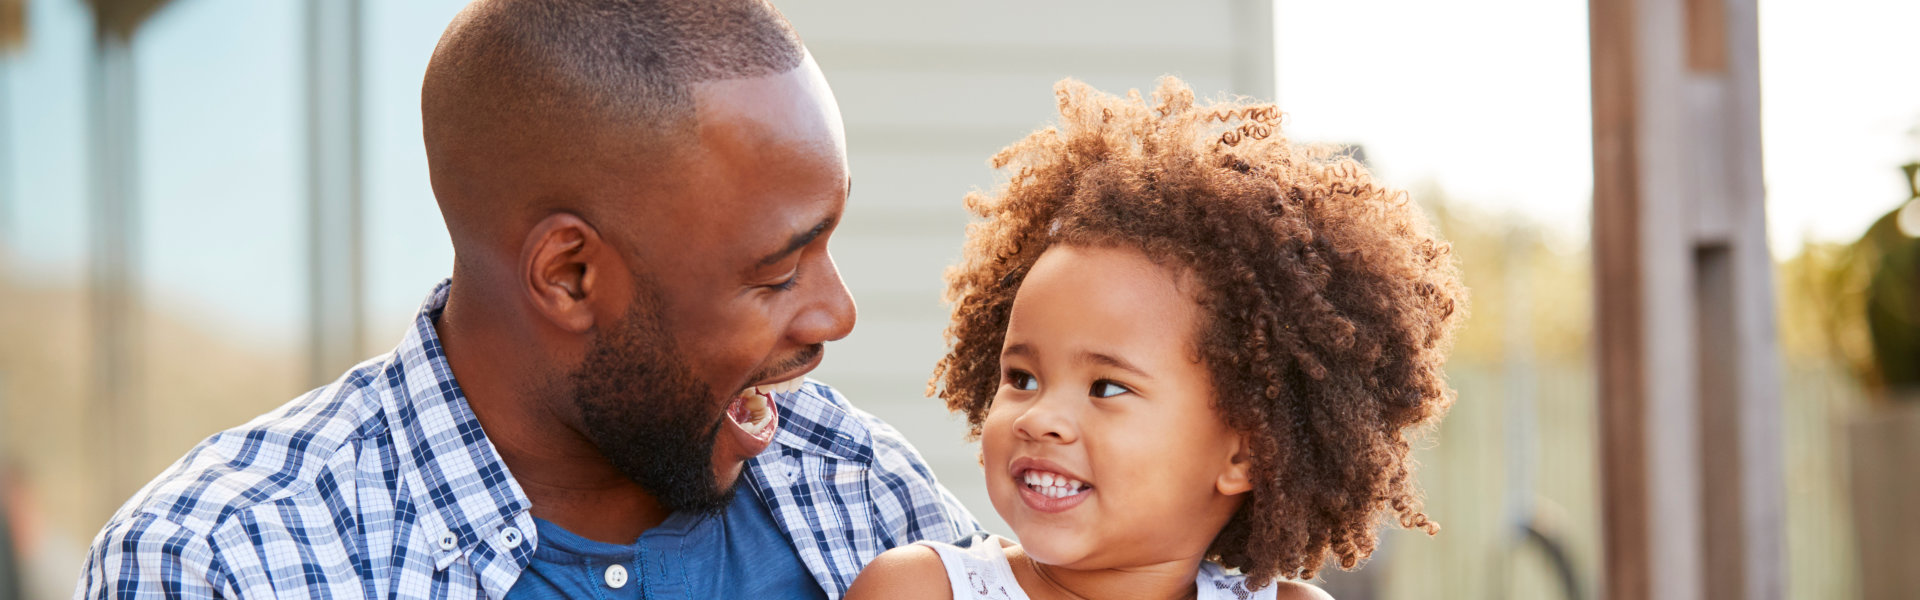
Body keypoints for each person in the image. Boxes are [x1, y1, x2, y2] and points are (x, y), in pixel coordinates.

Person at [75, 1, 975, 598]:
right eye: (777, 272)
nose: (835, 314)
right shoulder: (223, 564)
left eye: (828, 242)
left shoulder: (863, 491)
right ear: (569, 276)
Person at [845, 78, 1467, 600]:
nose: (1041, 419)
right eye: (1022, 378)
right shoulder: (919, 589)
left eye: (1106, 386)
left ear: (1243, 455)